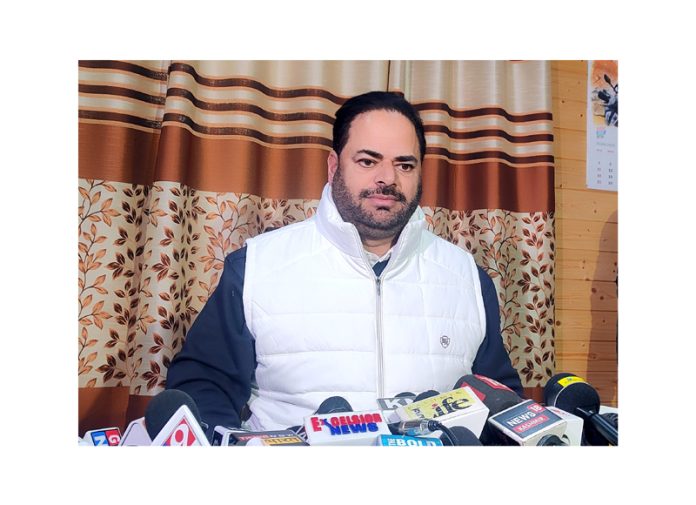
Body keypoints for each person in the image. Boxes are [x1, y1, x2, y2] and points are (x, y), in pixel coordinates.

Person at [165, 91, 523, 436]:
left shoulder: (467, 277)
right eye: (368, 161)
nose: (388, 178)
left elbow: (500, 400)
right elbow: (203, 387)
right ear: (334, 166)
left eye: (404, 164)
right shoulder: (255, 267)